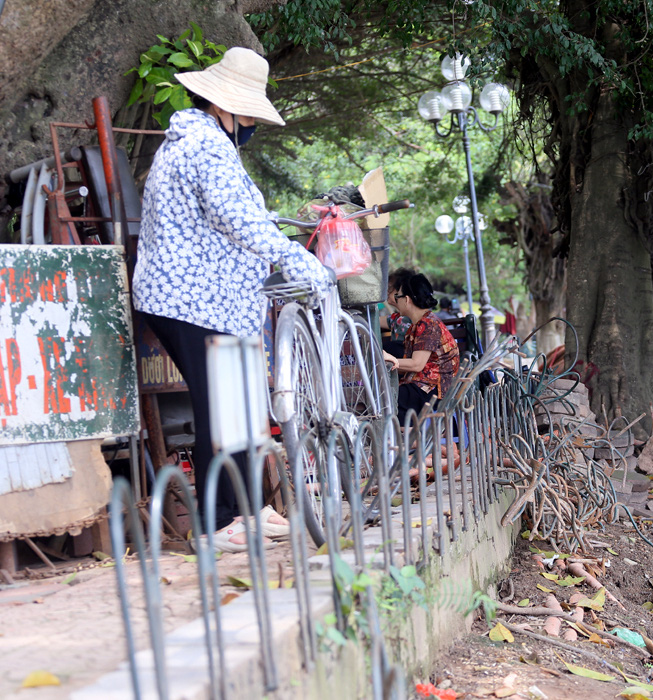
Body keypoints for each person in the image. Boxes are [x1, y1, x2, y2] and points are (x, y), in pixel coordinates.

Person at [133, 47, 332, 552]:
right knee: (224, 409)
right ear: (226, 108)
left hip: (209, 299)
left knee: (238, 405)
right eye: (247, 115)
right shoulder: (204, 147)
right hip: (190, 299)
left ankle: (243, 513)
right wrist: (296, 259)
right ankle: (219, 522)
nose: (249, 124)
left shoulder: (201, 143)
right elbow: (238, 220)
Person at [381, 269, 460, 422]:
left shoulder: (427, 325)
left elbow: (416, 365)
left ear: (407, 299)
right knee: (384, 397)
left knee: (384, 401)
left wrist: (386, 359)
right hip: (425, 386)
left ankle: (415, 439)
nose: (395, 301)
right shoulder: (420, 324)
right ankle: (412, 438)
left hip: (433, 390)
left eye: (398, 296)